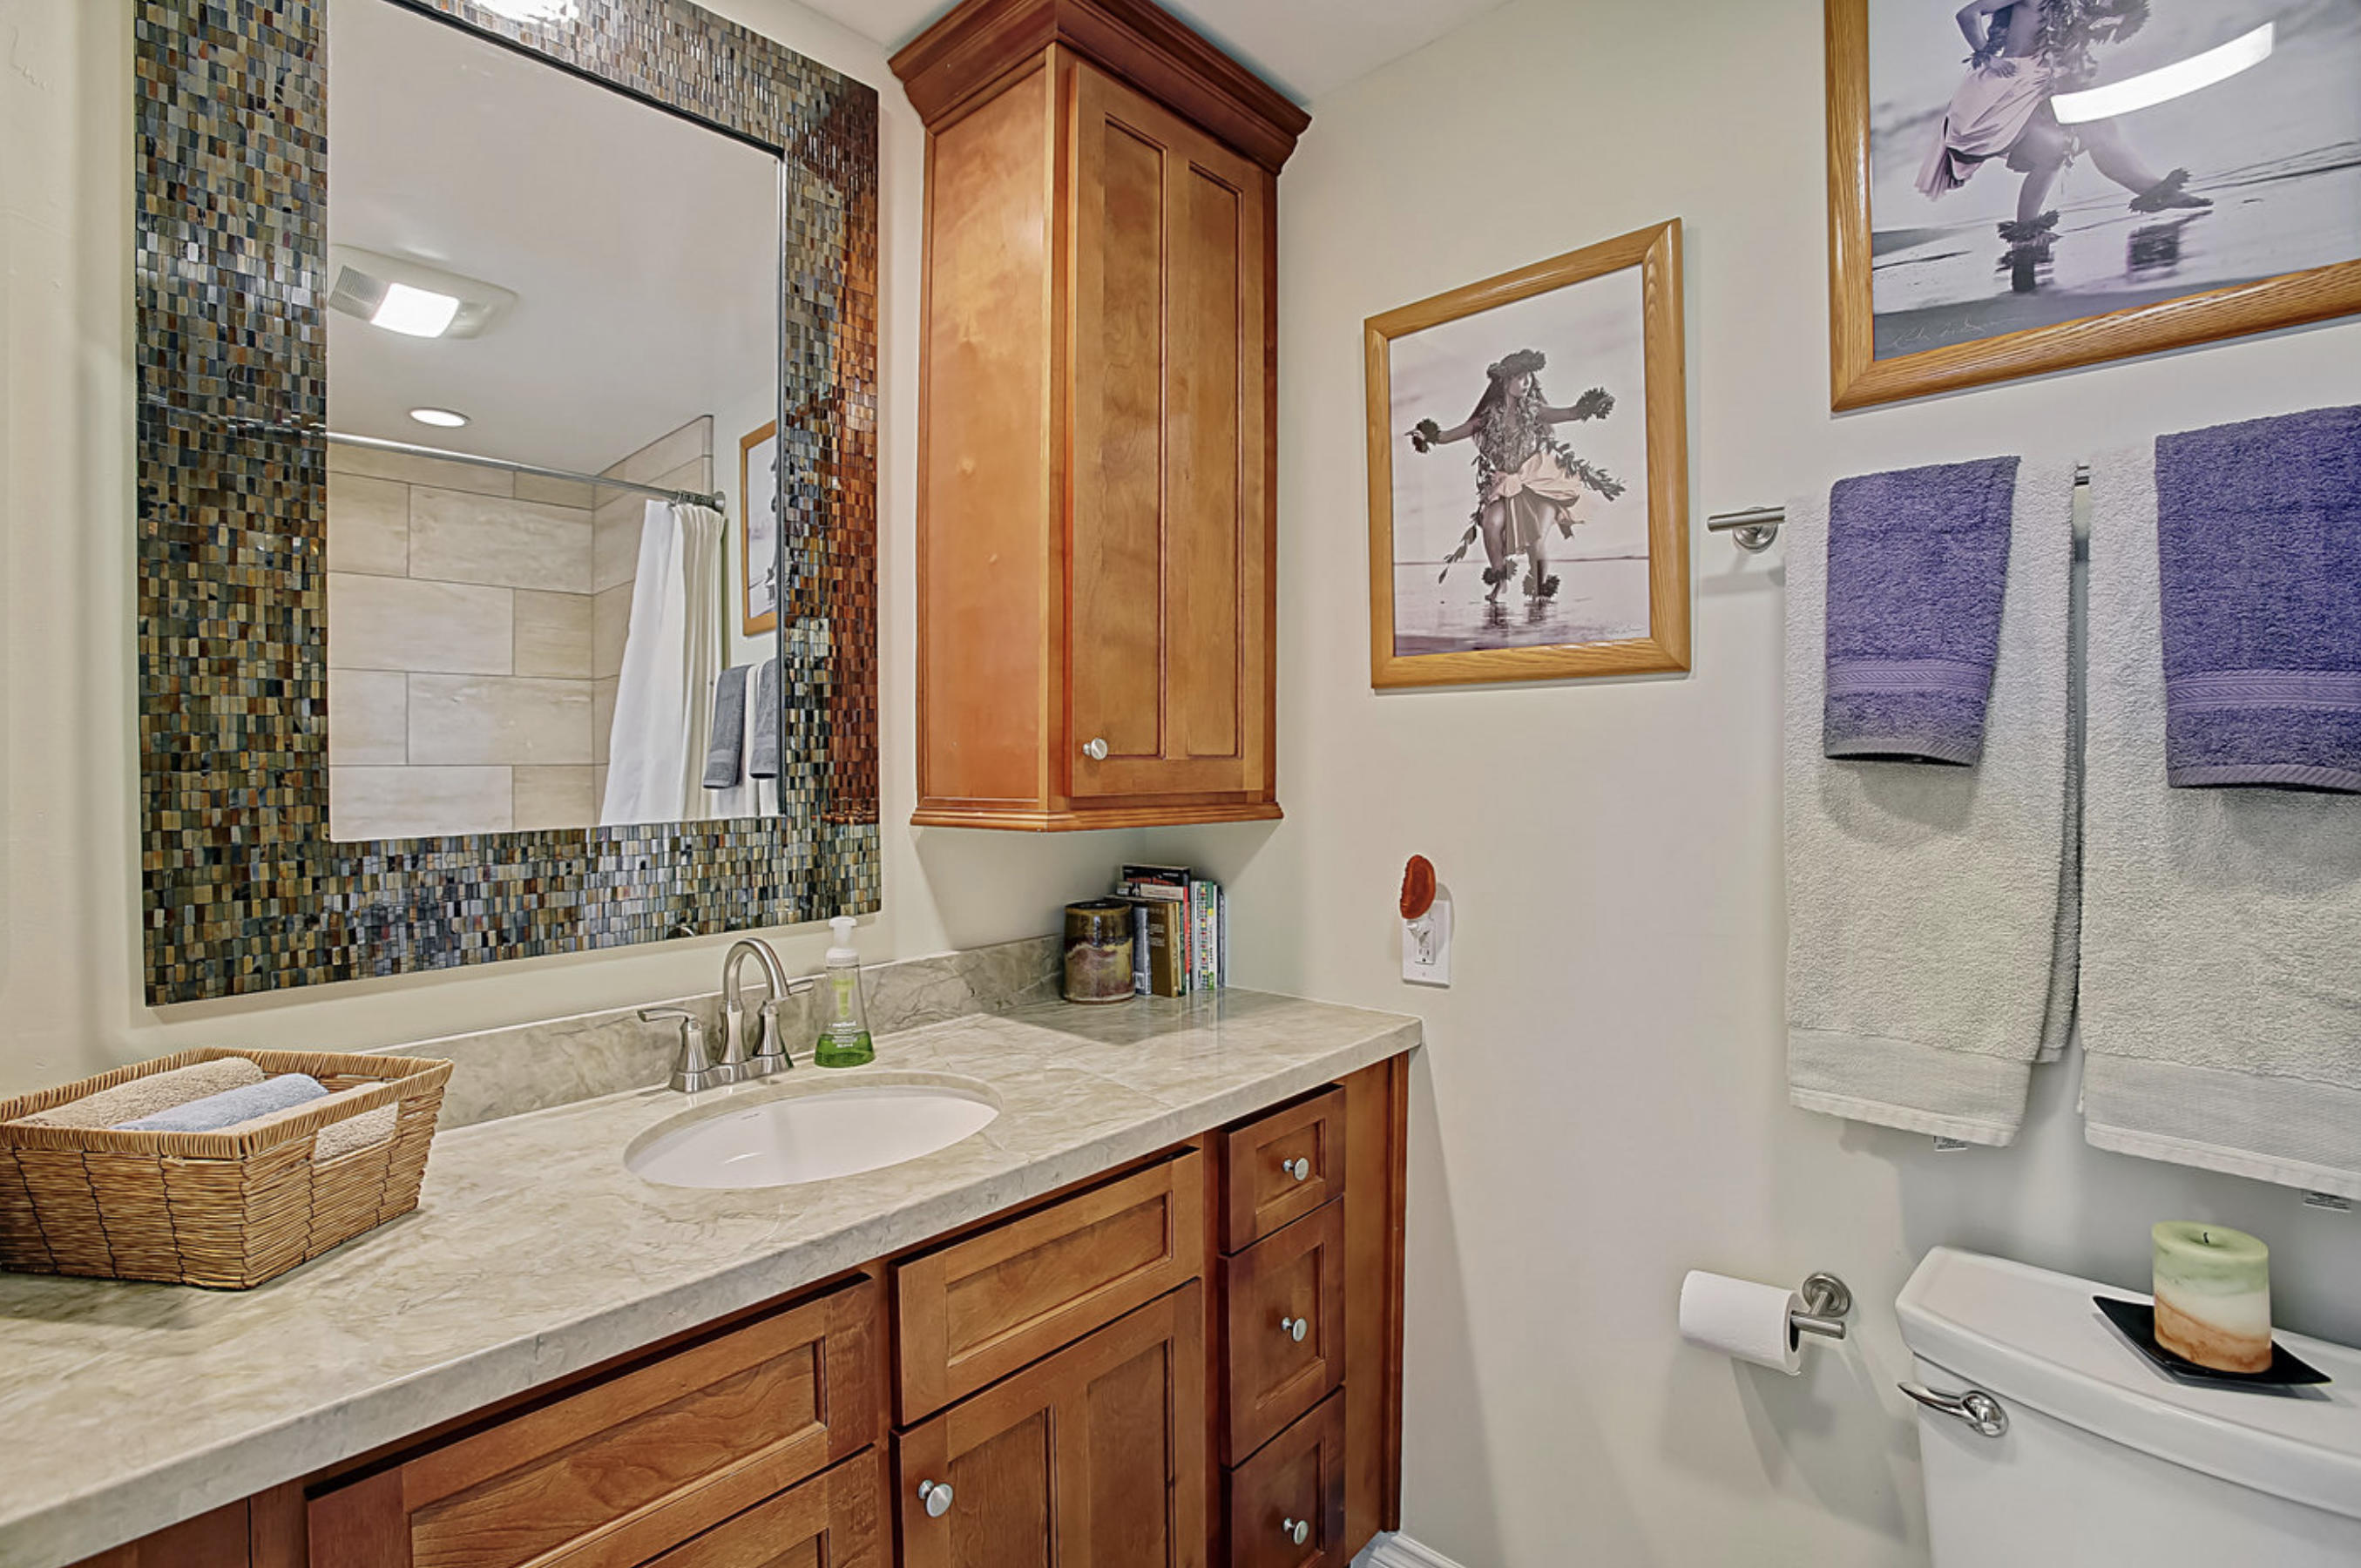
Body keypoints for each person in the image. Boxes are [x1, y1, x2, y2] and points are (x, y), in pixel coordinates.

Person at [1918, 0, 2210, 247]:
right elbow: (1967, 14)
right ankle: (2027, 232)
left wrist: (2124, 14)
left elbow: (2096, 25)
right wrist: (1986, 55)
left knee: (2101, 132)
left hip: (2046, 85)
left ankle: (2158, 193)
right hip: (2008, 90)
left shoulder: (2075, 4)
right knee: (2053, 151)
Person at [1407, 349, 1621, 605]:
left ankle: (1541, 589)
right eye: (1520, 377)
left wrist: (1591, 405)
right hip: (1506, 484)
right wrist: (1426, 435)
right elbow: (1447, 436)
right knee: (1490, 523)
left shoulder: (1534, 410)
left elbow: (1569, 413)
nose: (1527, 382)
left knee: (1536, 538)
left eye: (1529, 377)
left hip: (1536, 482)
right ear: (1505, 382)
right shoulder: (1487, 417)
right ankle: (1501, 579)